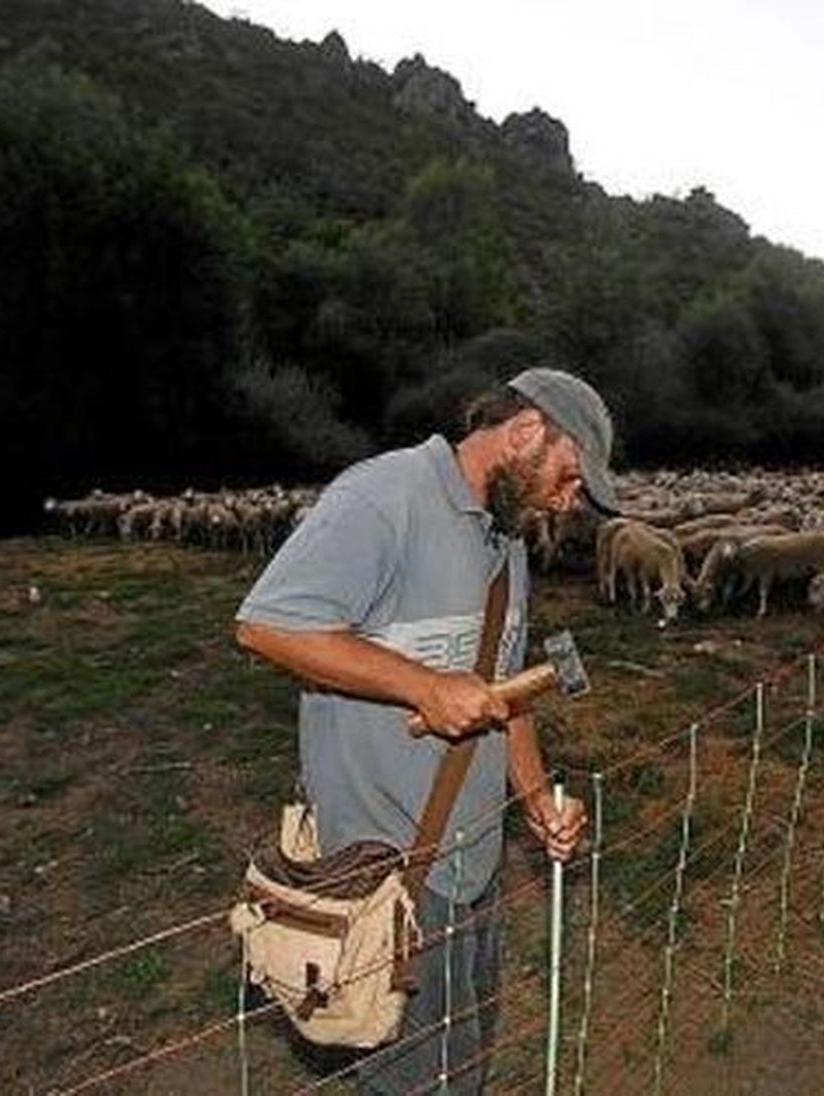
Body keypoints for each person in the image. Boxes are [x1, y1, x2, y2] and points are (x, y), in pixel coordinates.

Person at [234, 367, 617, 1094]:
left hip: (473, 859)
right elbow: (266, 624)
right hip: (388, 871)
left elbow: (505, 690)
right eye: (570, 478)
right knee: (413, 1078)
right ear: (526, 432)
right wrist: (422, 685)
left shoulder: (503, 539)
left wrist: (537, 803)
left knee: (462, 1062)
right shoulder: (384, 496)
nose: (569, 503)